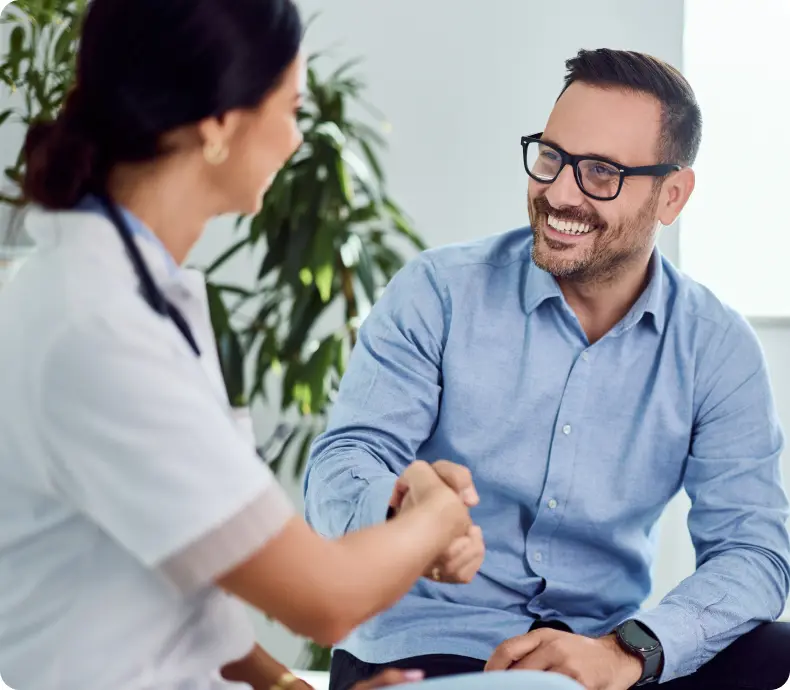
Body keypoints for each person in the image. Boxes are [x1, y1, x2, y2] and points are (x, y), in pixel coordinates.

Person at [0, 1, 500, 689]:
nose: (296, 141)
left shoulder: (142, 293)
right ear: (218, 124)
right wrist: (439, 511)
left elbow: (190, 577)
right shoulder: (95, 327)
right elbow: (329, 599)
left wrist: (290, 687)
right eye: (290, 109)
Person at [304, 48, 790, 690]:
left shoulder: (716, 346)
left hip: (600, 652)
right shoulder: (439, 292)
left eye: (600, 173)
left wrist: (626, 652)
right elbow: (343, 463)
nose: (559, 192)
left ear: (671, 195)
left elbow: (754, 553)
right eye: (551, 157)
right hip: (430, 646)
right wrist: (403, 511)